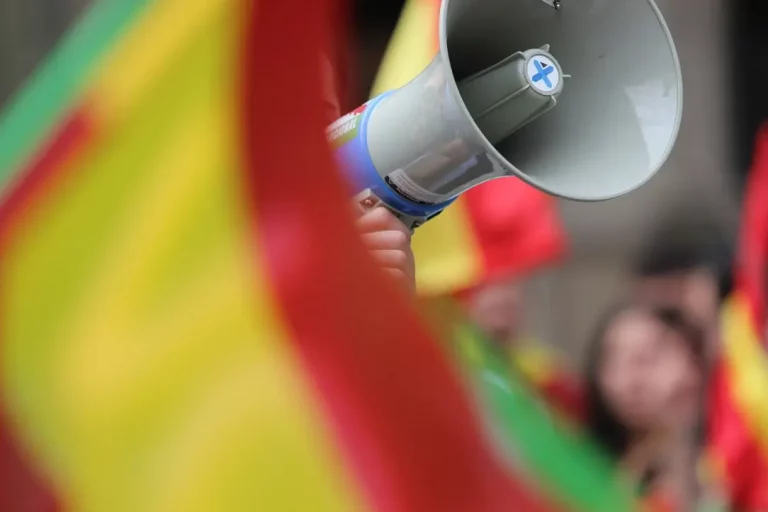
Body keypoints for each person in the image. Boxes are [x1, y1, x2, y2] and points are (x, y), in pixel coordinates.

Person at [584, 302, 709, 510]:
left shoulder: (726, 447)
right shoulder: (609, 474)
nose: (627, 380)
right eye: (614, 360)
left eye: (648, 358)